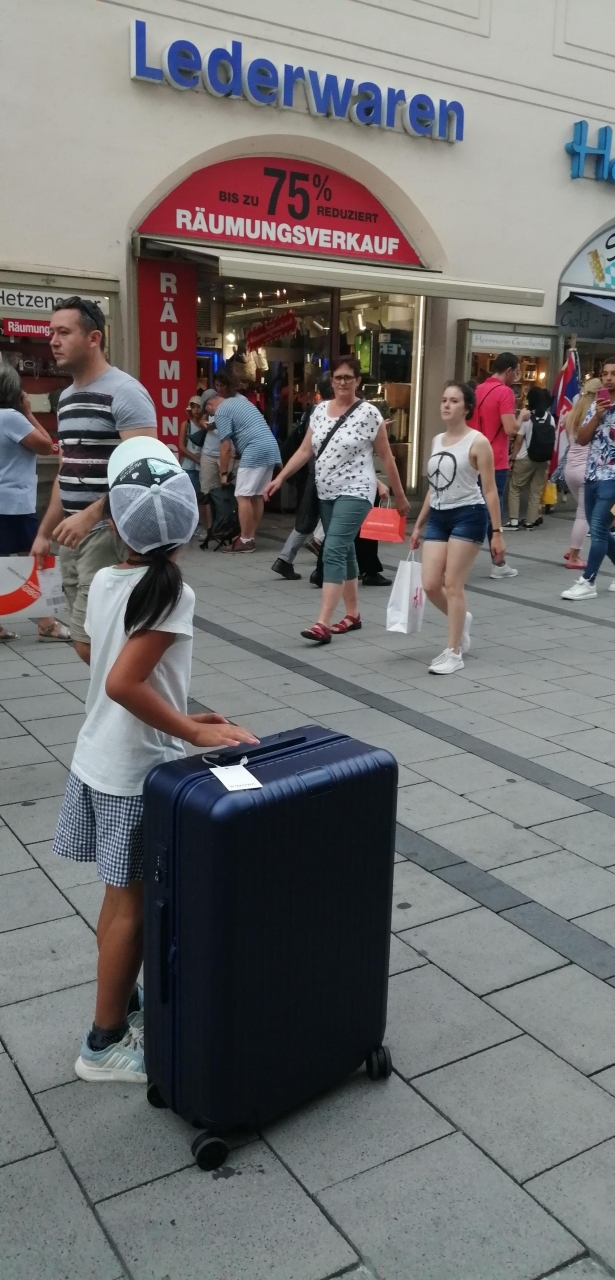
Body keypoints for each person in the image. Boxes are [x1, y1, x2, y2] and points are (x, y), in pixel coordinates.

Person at [52, 436, 258, 1083]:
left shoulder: (114, 576)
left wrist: (186, 718)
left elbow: (112, 669)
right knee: (134, 910)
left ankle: (122, 1000)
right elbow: (123, 683)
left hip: (102, 757)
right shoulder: (171, 593)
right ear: (189, 522)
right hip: (132, 774)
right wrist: (190, 736)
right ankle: (103, 1042)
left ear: (115, 521)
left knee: (119, 903)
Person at [30, 297, 158, 663]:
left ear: (94, 338)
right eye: (51, 332)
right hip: (72, 534)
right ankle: (118, 705)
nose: (53, 341)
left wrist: (90, 515)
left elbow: (144, 471)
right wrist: (44, 532)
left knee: (93, 638)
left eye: (64, 332)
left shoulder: (126, 392)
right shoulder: (67, 398)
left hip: (109, 531)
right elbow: (66, 468)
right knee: (89, 638)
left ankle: (130, 703)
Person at [263, 355, 409, 643]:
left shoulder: (369, 414)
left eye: (348, 377)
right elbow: (306, 451)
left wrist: (400, 495)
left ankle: (322, 622)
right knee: (346, 552)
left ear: (357, 381)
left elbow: (386, 457)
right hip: (325, 491)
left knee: (332, 549)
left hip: (356, 491)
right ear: (331, 381)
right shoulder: (319, 411)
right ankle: (353, 614)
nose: (343, 382)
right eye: (338, 377)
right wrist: (280, 478)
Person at [409, 381, 506, 674]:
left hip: (469, 515)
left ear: (467, 408)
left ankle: (454, 651)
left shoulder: (478, 442)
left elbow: (489, 490)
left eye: (453, 401)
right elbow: (434, 486)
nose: (446, 405)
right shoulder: (438, 440)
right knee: (429, 584)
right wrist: (419, 524)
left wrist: (498, 533)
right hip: (439, 516)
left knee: (453, 584)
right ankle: (461, 620)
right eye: (444, 400)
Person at [0, 365, 66, 641]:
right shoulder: (12, 418)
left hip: (5, 503)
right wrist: (28, 411)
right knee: (42, 558)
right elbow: (45, 445)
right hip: (15, 504)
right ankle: (47, 623)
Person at [562, 357, 615, 601]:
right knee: (599, 528)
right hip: (592, 472)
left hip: (612, 477)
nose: (608, 378)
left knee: (599, 529)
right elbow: (581, 439)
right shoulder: (597, 406)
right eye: (605, 374)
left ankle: (588, 580)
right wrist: (597, 416)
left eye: (613, 374)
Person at [472, 351, 522, 579]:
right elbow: (510, 428)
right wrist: (523, 418)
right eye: (517, 371)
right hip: (496, 458)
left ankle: (454, 558)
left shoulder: (478, 389)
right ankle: (498, 563)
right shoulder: (505, 392)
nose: (518, 376)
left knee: (473, 508)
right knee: (492, 509)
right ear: (509, 370)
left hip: (473, 457)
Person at [216, 388, 281, 553]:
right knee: (257, 495)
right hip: (270, 448)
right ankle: (250, 537)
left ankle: (244, 540)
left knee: (242, 495)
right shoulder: (242, 401)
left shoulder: (221, 410)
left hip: (255, 450)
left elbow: (225, 446)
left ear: (210, 404)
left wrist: (223, 474)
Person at [561, 378, 600, 569]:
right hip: (587, 471)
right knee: (584, 515)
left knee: (586, 512)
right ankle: (574, 555)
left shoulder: (571, 414)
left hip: (570, 470)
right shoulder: (595, 415)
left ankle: (575, 549)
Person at [505, 387, 555, 530]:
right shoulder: (550, 418)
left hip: (525, 457)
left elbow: (519, 440)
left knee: (515, 488)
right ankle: (530, 521)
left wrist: (512, 459)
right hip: (543, 459)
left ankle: (514, 521)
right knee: (536, 490)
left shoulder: (526, 417)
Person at [178, 395, 204, 496]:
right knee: (188, 495)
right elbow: (181, 447)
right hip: (188, 466)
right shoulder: (186, 424)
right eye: (194, 407)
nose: (196, 410)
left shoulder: (205, 425)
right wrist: (196, 459)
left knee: (202, 497)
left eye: (198, 407)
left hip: (203, 466)